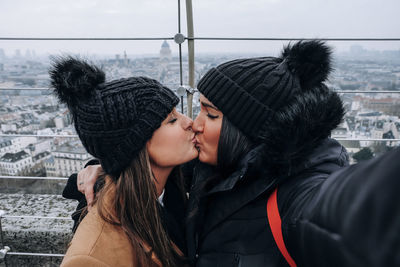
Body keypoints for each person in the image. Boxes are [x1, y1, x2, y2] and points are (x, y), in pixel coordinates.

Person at [72, 40, 400, 266]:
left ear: (247, 131)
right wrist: (106, 165)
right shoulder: (211, 168)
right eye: (178, 117)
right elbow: (131, 149)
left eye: (210, 115)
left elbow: (343, 207)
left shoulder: (295, 196)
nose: (193, 125)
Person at [50, 57, 198, 267]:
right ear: (135, 142)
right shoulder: (89, 257)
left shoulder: (167, 189)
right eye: (172, 120)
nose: (189, 122)